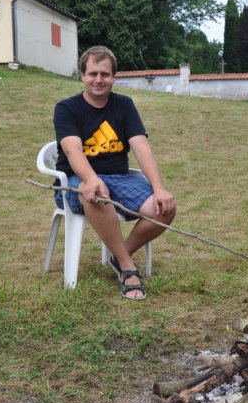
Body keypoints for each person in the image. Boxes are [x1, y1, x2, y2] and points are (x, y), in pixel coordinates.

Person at [53, 45, 176, 300]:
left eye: (105, 74)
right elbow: (73, 151)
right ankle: (128, 268)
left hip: (120, 178)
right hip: (77, 180)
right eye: (93, 73)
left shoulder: (124, 105)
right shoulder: (66, 108)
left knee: (164, 209)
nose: (99, 80)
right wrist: (90, 179)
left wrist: (159, 188)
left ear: (113, 77)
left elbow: (141, 146)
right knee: (96, 194)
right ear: (82, 75)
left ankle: (119, 256)